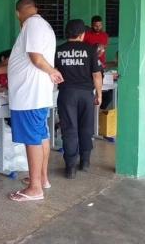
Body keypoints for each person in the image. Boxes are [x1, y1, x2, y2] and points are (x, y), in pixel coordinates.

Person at [0, 0, 63, 202]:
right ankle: (42, 179)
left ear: (17, 14)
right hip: (35, 95)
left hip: (29, 96)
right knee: (40, 136)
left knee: (32, 140)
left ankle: (35, 188)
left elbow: (35, 58)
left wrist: (52, 71)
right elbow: (22, 61)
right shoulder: (40, 26)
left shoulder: (32, 24)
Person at [54, 19, 102, 178]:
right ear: (82, 34)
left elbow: (53, 73)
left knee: (69, 130)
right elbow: (96, 74)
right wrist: (99, 94)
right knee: (86, 127)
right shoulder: (89, 50)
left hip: (67, 94)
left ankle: (70, 168)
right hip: (86, 94)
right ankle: (85, 162)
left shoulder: (58, 50)